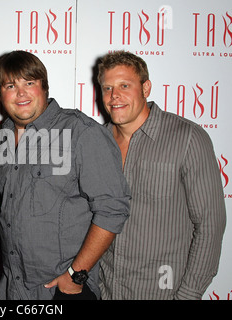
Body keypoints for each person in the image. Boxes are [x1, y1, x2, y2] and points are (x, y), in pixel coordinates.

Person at [0, 50, 131, 300]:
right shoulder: (2, 139)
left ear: (44, 87)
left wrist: (75, 275)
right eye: (10, 85)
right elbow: (5, 197)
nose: (21, 93)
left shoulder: (81, 133)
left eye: (29, 83)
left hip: (62, 290)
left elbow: (112, 208)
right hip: (12, 288)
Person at [97, 51, 227, 300]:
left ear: (146, 88)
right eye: (107, 88)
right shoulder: (97, 142)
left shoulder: (187, 138)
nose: (114, 96)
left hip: (162, 293)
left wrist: (188, 295)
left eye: (125, 85)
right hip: (106, 291)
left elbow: (210, 225)